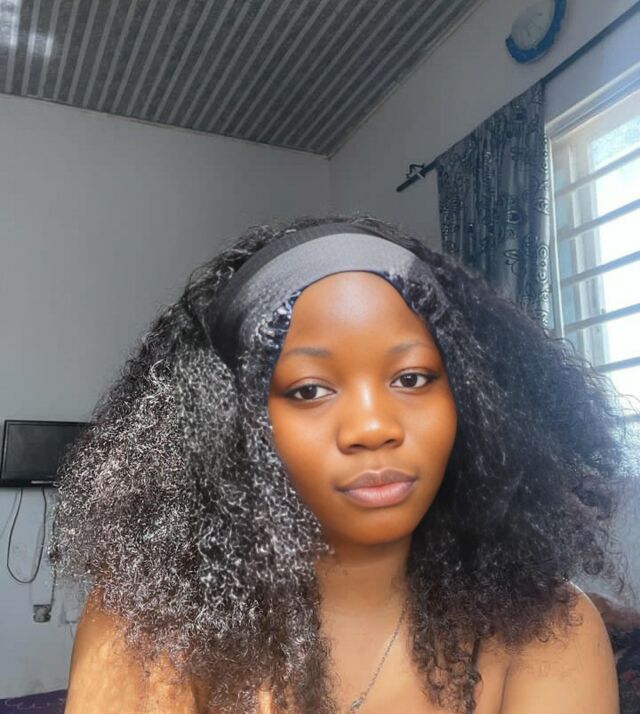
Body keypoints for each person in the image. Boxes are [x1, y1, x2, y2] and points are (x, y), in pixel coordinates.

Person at [50, 215, 632, 714]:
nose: (374, 428)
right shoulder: (148, 623)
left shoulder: (548, 629)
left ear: (473, 404)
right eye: (308, 390)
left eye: (412, 378)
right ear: (230, 426)